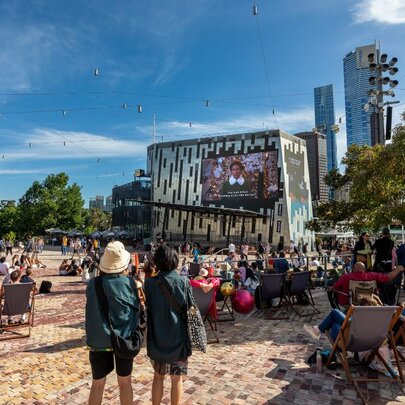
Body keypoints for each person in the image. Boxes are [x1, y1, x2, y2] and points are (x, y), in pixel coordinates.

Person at [85, 241, 142, 405]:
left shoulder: (92, 284)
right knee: (125, 383)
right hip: (123, 338)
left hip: (98, 339)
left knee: (97, 384)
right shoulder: (130, 283)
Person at [145, 245, 192, 405]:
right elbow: (190, 310)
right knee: (176, 379)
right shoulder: (184, 282)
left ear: (157, 262)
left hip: (157, 337)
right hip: (178, 338)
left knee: (158, 378)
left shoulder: (150, 283)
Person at [328, 262, 405, 308]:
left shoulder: (346, 277)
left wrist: (331, 288)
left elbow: (336, 287)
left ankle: (339, 314)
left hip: (350, 303)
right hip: (369, 302)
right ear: (364, 269)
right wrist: (398, 269)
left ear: (353, 269)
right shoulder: (373, 275)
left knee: (331, 293)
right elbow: (388, 277)